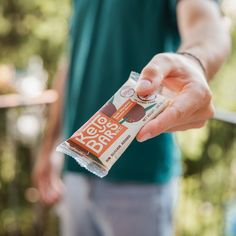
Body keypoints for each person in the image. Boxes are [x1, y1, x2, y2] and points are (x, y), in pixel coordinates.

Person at [33, 0, 230, 235]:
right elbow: (72, 64)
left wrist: (195, 62)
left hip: (139, 179)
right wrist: (49, 147)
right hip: (75, 170)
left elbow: (206, 22)